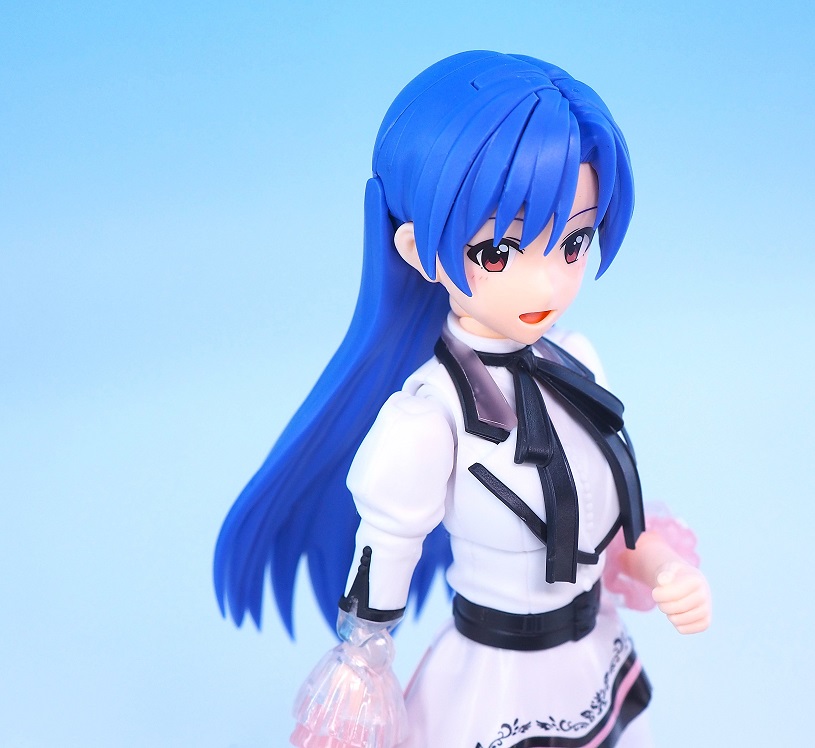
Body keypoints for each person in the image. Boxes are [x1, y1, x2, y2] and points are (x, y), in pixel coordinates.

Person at [214, 51, 711, 748]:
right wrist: (361, 669)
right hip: (496, 680)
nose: (547, 285)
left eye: (573, 243)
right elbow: (385, 559)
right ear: (418, 250)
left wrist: (663, 569)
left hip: (593, 653)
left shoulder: (579, 363)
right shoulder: (428, 418)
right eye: (500, 253)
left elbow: (606, 523)